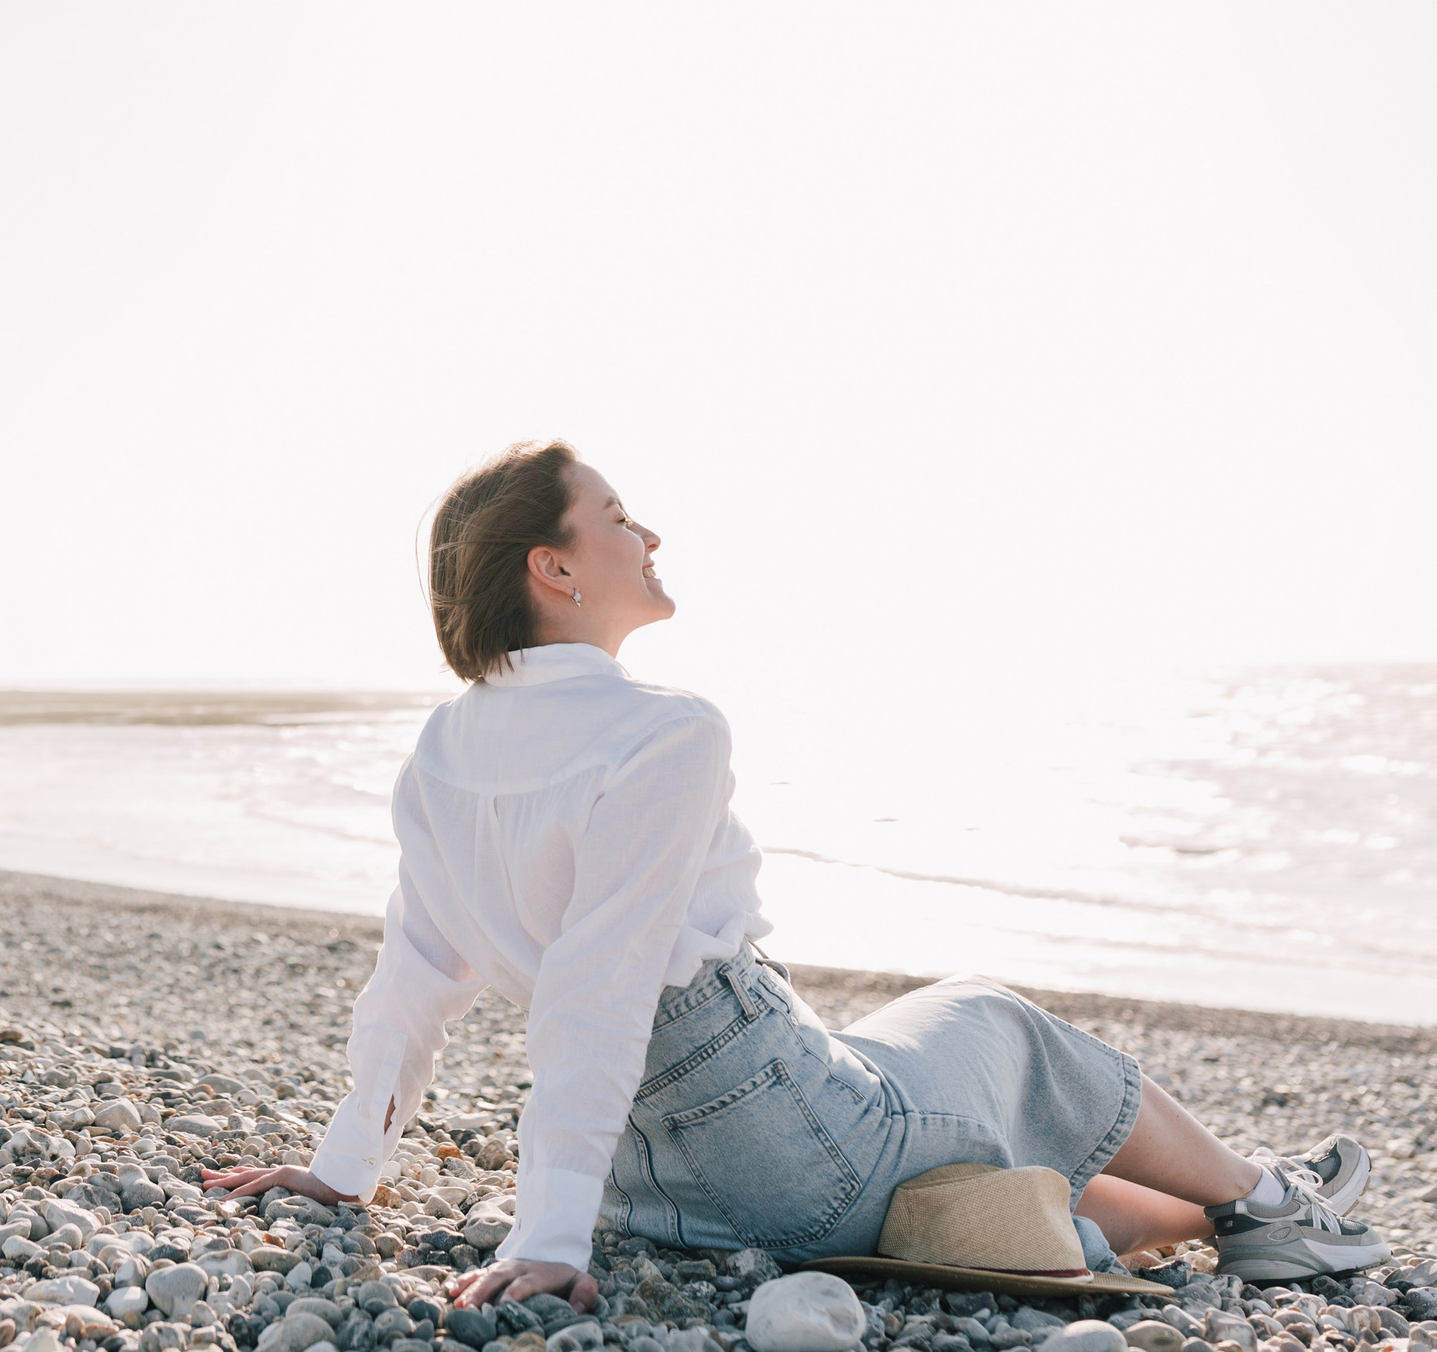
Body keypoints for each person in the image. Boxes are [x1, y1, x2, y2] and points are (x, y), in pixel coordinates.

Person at [203, 440, 1387, 1307]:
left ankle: (1223, 1211)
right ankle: (1270, 1202)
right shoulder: (663, 731)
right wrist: (545, 1240)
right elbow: (598, 987)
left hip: (644, 1190)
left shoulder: (442, 749)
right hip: (781, 1145)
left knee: (962, 1135)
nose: (648, 536)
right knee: (992, 1018)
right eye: (617, 516)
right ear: (553, 568)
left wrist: (345, 1169)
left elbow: (415, 976)